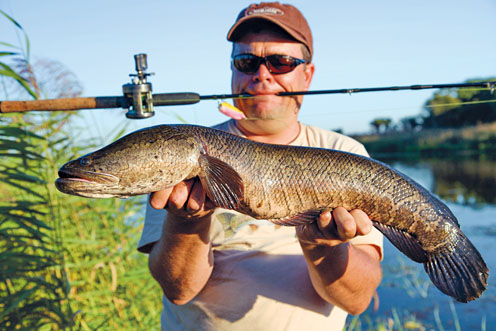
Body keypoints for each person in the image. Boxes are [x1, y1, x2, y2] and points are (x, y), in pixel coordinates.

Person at [138, 2, 383, 330]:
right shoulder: (181, 155)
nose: (262, 75)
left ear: (307, 75)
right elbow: (179, 290)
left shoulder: (345, 151)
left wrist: (322, 244)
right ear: (233, 71)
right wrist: (186, 223)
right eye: (246, 61)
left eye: (281, 62)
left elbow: (357, 300)